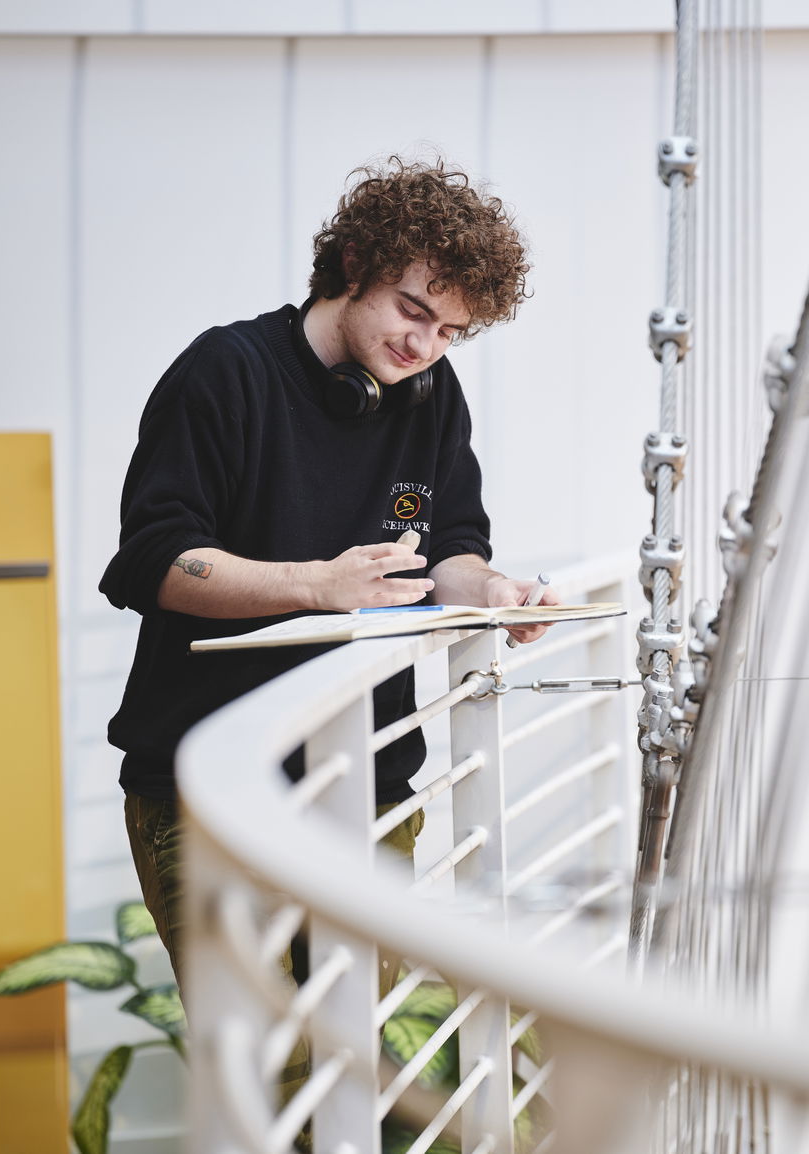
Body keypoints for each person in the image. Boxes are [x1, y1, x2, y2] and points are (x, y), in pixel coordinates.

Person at [99, 158, 553, 988]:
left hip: (367, 786)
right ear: (353, 266)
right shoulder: (225, 372)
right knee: (275, 1086)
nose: (423, 346)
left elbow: (446, 547)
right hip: (212, 793)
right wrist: (315, 584)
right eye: (413, 310)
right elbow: (156, 560)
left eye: (450, 331)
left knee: (360, 1082)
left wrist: (492, 594)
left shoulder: (433, 395)